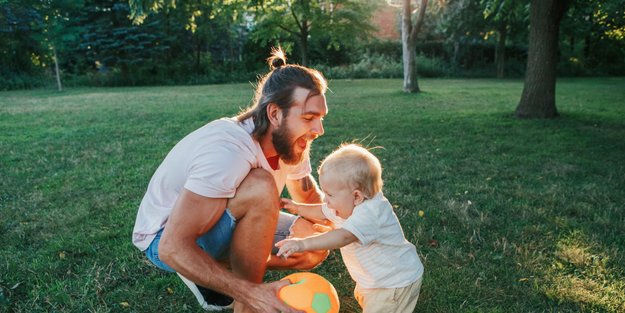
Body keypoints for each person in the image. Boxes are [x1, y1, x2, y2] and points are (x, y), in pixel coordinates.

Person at [132, 47, 330, 313]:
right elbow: (172, 247)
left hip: (217, 223)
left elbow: (306, 197)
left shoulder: (291, 142)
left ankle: (212, 274)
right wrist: (253, 294)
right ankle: (239, 298)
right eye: (309, 118)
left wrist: (353, 226)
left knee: (314, 245)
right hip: (165, 239)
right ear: (274, 114)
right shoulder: (227, 151)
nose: (319, 130)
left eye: (320, 118)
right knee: (260, 187)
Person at [276, 144, 424, 313]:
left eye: (329, 195)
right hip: (373, 280)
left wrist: (302, 244)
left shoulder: (370, 213)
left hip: (393, 284)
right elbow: (321, 210)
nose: (326, 199)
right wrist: (298, 208)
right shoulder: (344, 204)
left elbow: (343, 237)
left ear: (357, 196)